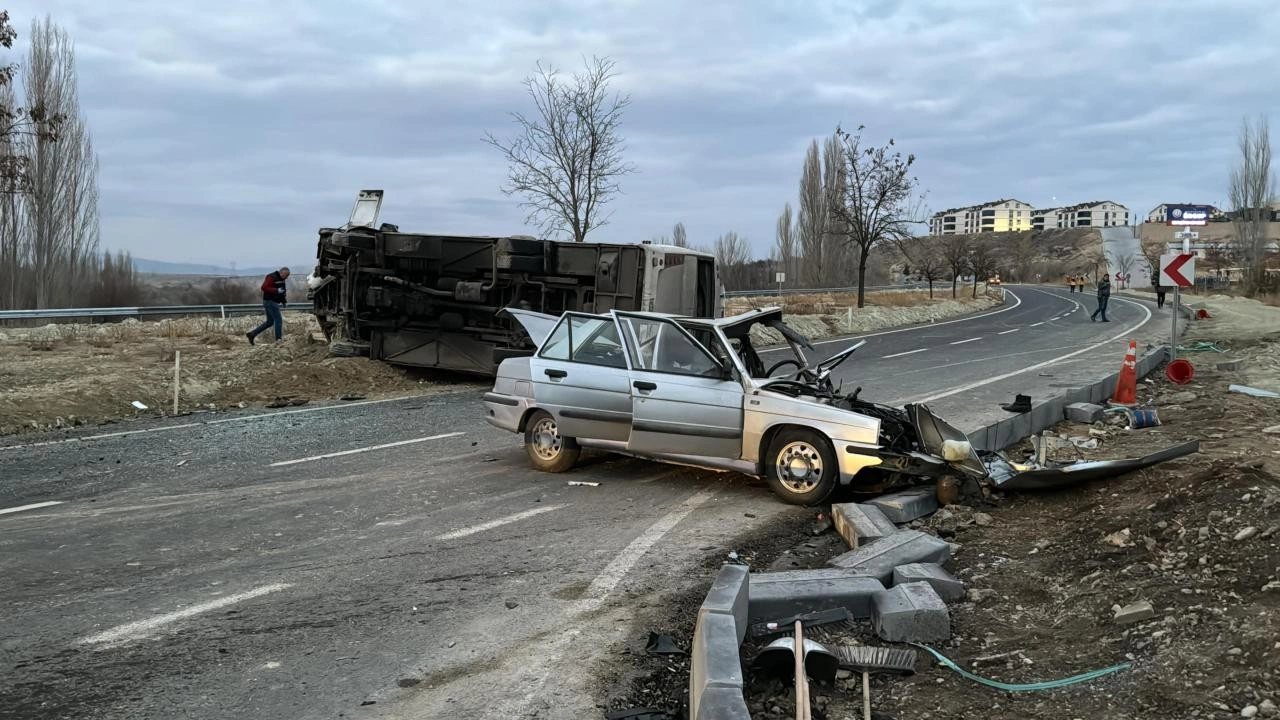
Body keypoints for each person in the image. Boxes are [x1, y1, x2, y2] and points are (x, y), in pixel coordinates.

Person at [247, 266, 290, 344]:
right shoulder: (271, 277)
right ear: (281, 273)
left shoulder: (282, 280)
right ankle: (278, 340)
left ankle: (252, 334)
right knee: (278, 320)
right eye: (286, 275)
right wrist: (276, 290)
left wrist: (284, 301)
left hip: (272, 301)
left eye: (287, 276)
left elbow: (282, 291)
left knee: (270, 322)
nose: (286, 278)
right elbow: (264, 287)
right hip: (269, 301)